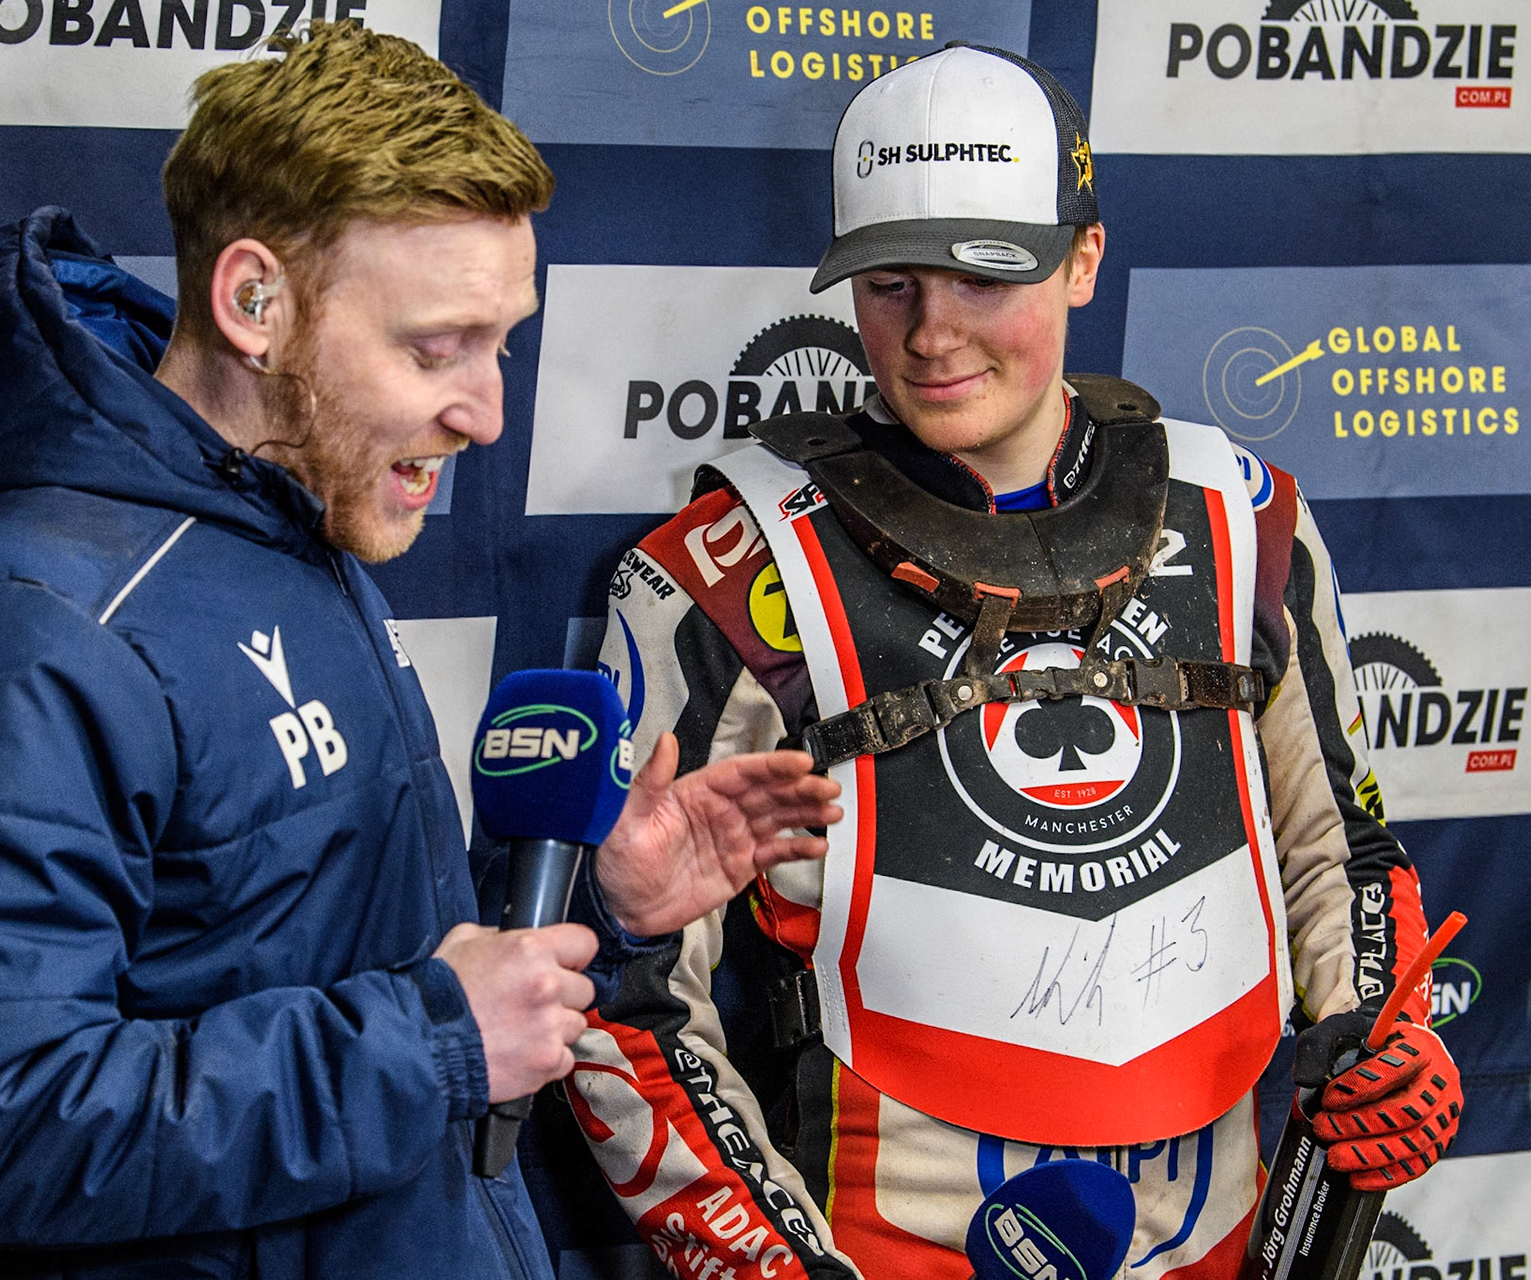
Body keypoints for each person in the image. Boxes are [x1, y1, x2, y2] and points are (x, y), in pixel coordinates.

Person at [0, 23, 840, 1280]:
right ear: (255, 302)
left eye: (501, 341)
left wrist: (591, 912)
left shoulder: (294, 521)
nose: (488, 412)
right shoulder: (17, 629)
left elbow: (308, 954)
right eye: (434, 346)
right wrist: (435, 1039)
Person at [564, 45, 1462, 1280]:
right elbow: (621, 990)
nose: (933, 334)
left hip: (1222, 1242)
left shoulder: (1243, 518)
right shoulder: (731, 564)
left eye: (986, 276)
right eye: (889, 283)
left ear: (1083, 257)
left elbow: (1338, 850)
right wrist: (771, 1263)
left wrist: (1381, 1031)